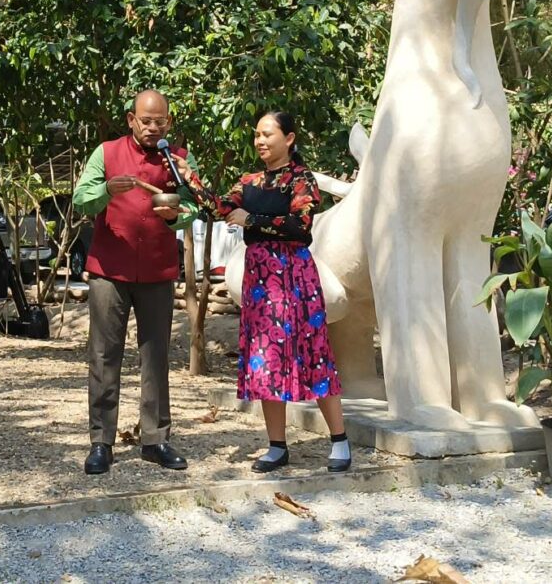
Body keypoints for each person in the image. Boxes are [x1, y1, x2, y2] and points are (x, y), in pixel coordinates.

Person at [176, 111, 351, 473]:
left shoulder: (301, 179)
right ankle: (276, 446)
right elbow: (219, 208)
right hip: (260, 282)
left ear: (289, 138)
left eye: (267, 134)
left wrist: (252, 220)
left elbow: (300, 225)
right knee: (266, 357)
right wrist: (188, 176)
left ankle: (339, 439)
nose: (260, 141)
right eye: (257, 134)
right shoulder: (250, 182)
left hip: (295, 277)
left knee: (313, 353)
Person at [73, 89, 199, 475]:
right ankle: (101, 441)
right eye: (146, 121)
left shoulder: (178, 158)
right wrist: (106, 190)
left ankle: (155, 439)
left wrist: (176, 216)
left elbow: (193, 204)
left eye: (160, 121)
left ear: (169, 122)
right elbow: (81, 199)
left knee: (156, 355)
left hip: (157, 270)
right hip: (109, 269)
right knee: (104, 354)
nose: (153, 128)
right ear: (131, 120)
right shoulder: (106, 153)